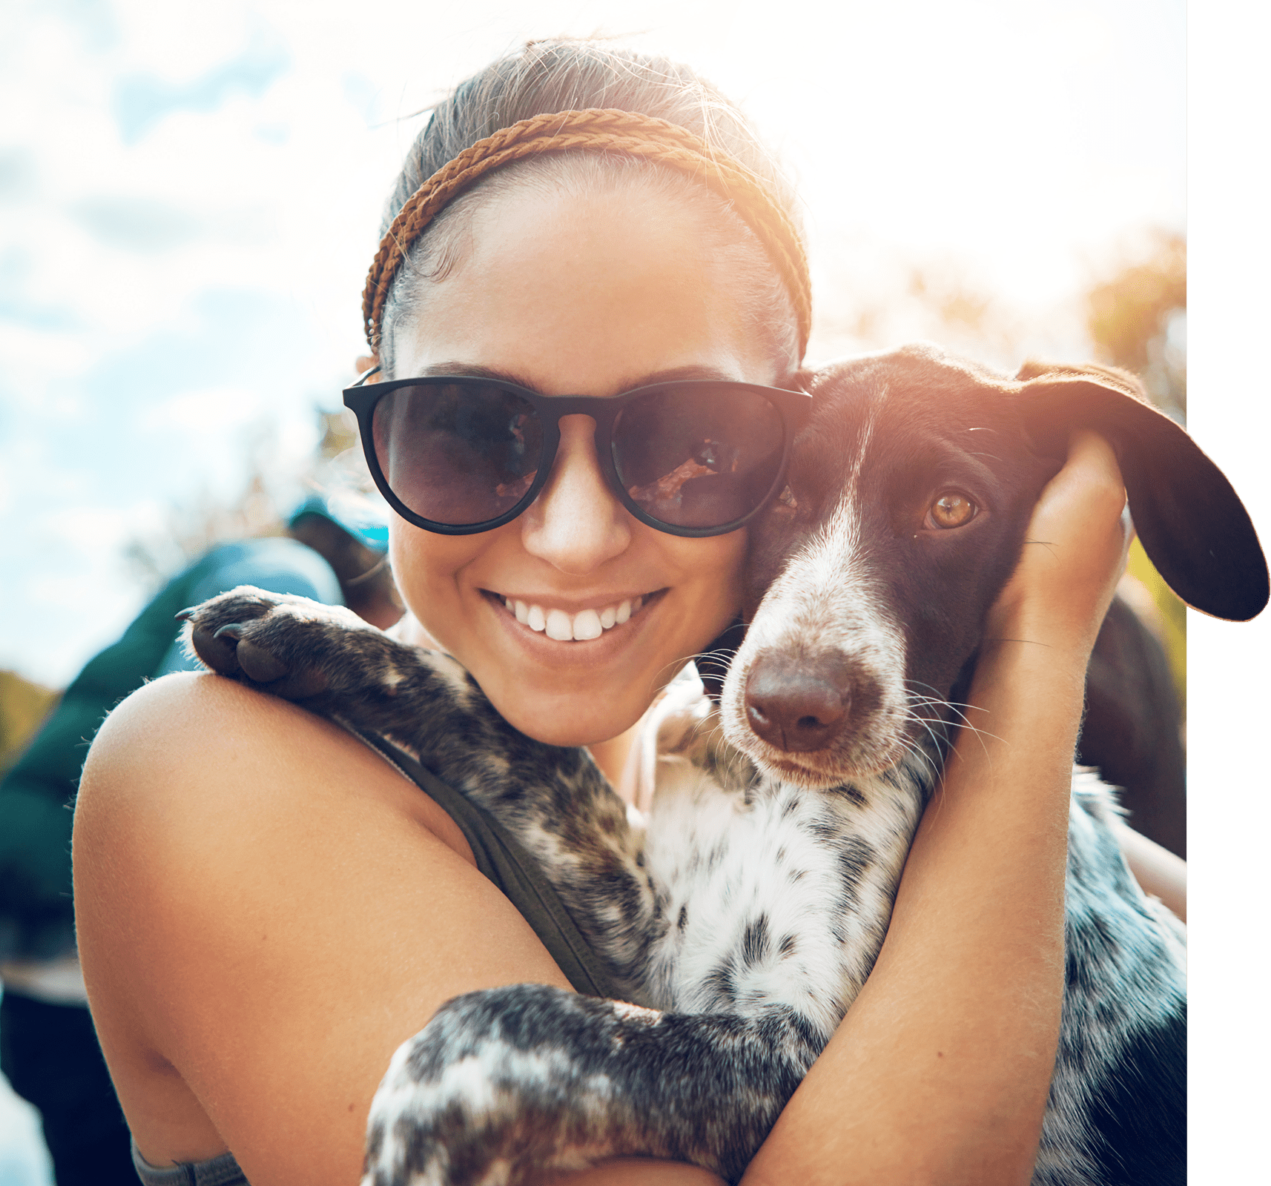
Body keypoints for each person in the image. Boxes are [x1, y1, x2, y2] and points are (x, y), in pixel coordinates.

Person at [72, 40, 1202, 1186]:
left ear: (781, 429)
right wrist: (1036, 655)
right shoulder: (205, 772)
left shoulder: (712, 763)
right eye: (470, 423)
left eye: (683, 439)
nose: (574, 534)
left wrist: (1038, 632)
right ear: (371, 408)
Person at [0, 510, 391, 1185]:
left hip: (46, 985)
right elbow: (189, 740)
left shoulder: (234, 562)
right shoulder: (289, 577)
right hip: (96, 1007)